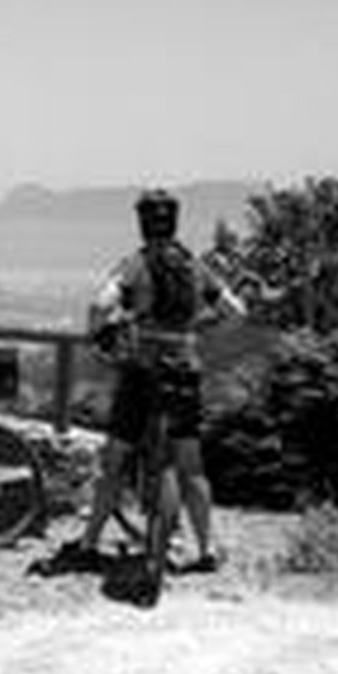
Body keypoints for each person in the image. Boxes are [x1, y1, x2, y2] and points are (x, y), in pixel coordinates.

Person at [70, 189, 244, 574]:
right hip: (183, 369)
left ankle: (88, 544)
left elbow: (100, 306)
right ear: (175, 222)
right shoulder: (196, 267)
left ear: (142, 223)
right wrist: (199, 326)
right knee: (192, 465)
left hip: (141, 372)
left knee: (114, 461)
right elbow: (236, 311)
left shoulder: (135, 265)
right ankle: (206, 550)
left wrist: (99, 334)